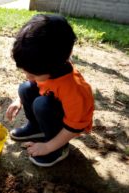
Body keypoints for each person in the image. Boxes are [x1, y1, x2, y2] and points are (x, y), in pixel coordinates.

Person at [6, 14, 94, 167]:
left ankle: (58, 148)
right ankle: (36, 127)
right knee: (25, 88)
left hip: (66, 125)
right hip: (51, 107)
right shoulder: (47, 66)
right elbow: (37, 82)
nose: (28, 76)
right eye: (26, 71)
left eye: (32, 73)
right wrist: (19, 100)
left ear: (54, 65)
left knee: (42, 104)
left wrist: (48, 147)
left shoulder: (74, 90)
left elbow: (73, 128)